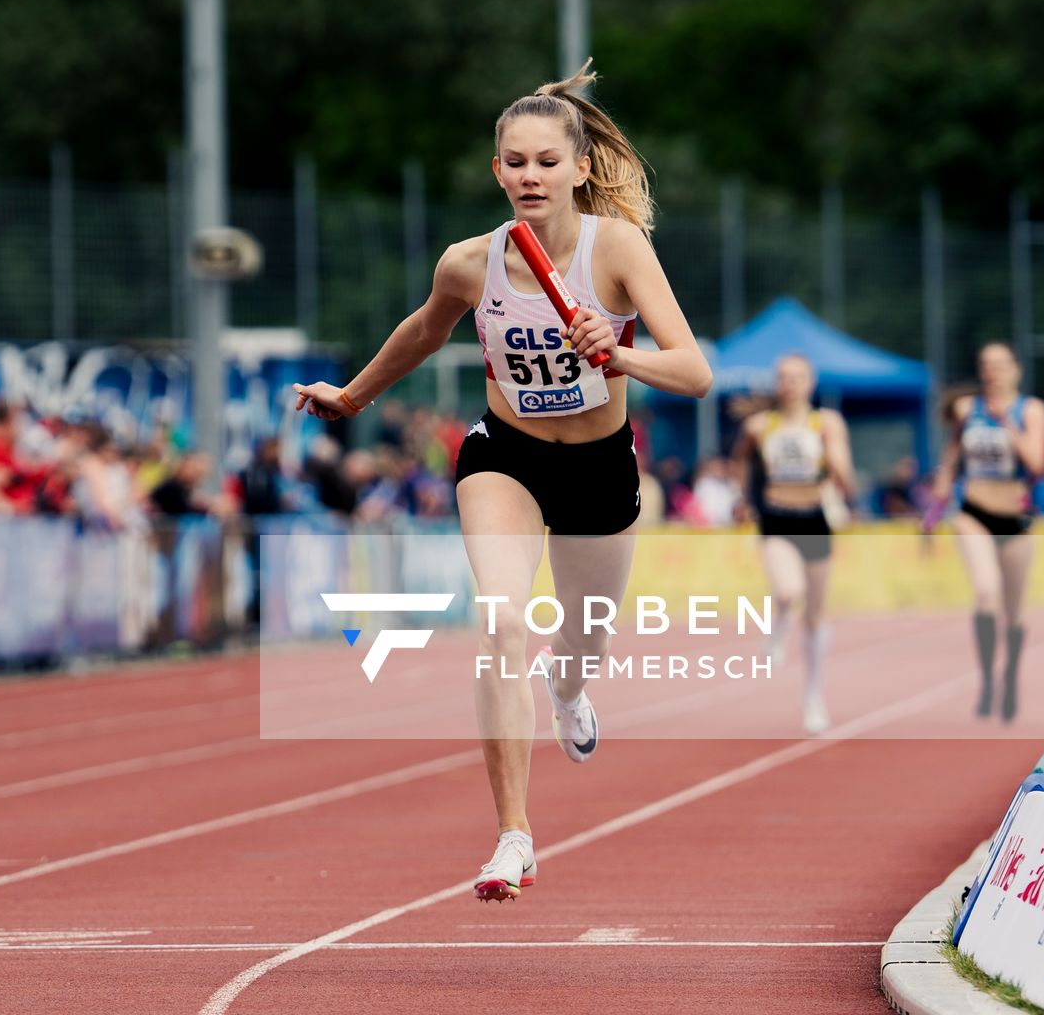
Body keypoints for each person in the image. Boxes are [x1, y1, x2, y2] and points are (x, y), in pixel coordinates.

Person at [292, 65, 711, 902]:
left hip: (598, 467)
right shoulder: (469, 262)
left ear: (580, 169)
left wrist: (617, 349)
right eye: (514, 162)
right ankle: (513, 837)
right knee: (503, 621)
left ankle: (570, 687)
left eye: (547, 162)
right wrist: (353, 395)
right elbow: (421, 330)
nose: (530, 176)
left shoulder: (616, 249)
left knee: (581, 643)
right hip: (506, 456)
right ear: (496, 172)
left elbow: (694, 372)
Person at [732, 354, 856, 735]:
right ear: (776, 382)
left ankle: (813, 697)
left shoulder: (826, 423)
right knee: (789, 590)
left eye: (797, 377)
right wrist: (742, 500)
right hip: (776, 518)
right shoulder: (759, 426)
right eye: (784, 377)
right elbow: (740, 462)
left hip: (815, 519)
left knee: (816, 614)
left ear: (810, 382)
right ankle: (780, 621)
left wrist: (835, 463)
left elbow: (848, 482)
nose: (790, 383)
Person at [931, 342, 1044, 722]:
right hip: (973, 511)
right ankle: (986, 681)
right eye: (986, 366)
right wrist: (939, 494)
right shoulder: (967, 410)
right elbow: (952, 457)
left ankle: (1010, 676)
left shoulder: (1031, 410)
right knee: (986, 592)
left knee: (1014, 613)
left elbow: (1036, 462)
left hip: (1014, 518)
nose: (992, 373)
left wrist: (1007, 424)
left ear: (1016, 370)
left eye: (1000, 366)